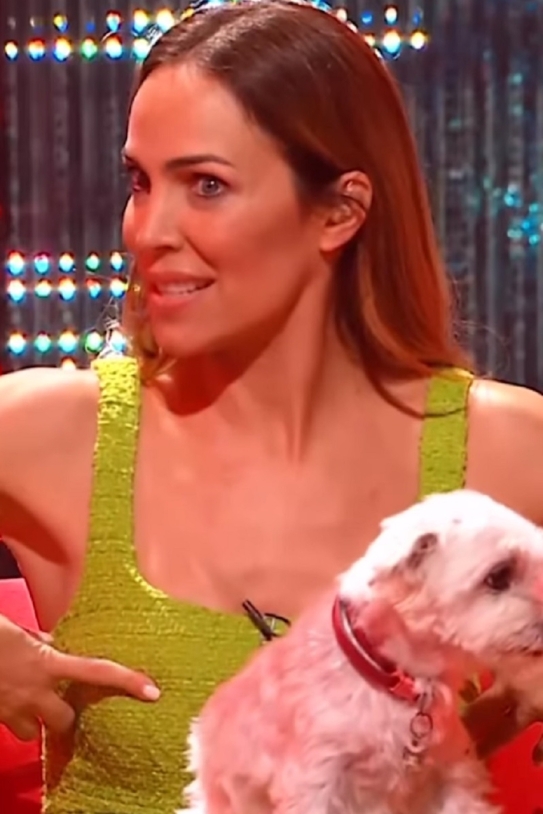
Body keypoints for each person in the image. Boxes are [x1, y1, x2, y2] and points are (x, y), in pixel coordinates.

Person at [0, 1, 542, 812]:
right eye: (141, 183)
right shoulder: (56, 433)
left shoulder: (503, 451)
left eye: (206, 185)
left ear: (339, 212)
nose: (148, 230)